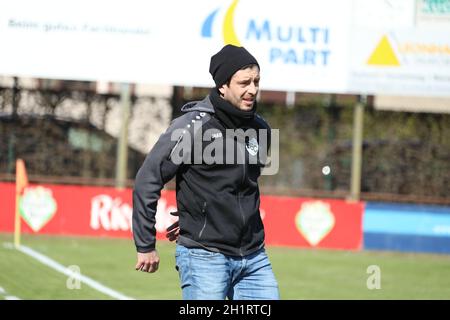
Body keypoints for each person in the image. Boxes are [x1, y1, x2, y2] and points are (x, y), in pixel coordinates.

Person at [132, 44, 280, 300]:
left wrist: (202, 213)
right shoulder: (191, 128)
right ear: (223, 85)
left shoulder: (261, 129)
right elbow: (149, 178)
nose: (253, 89)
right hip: (204, 257)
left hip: (254, 258)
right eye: (244, 82)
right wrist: (145, 244)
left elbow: (239, 188)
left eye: (256, 81)